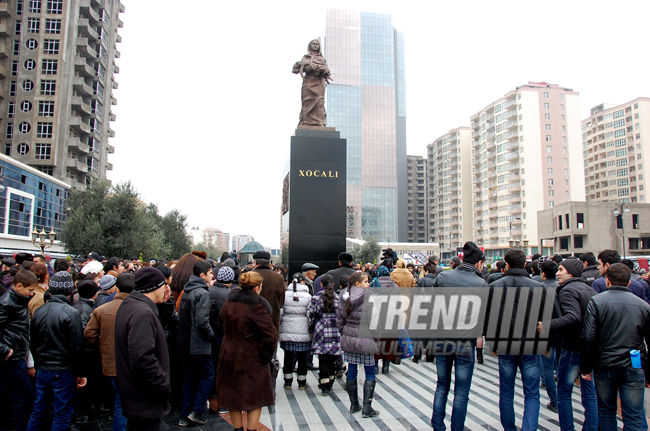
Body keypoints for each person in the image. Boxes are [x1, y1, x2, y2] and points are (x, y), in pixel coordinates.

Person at [581, 263, 650, 430]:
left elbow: (588, 337)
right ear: (629, 283)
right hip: (633, 364)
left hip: (605, 364)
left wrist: (586, 367)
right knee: (633, 415)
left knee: (606, 411)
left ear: (607, 281)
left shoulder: (597, 302)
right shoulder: (643, 306)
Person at [430, 242, 488, 431]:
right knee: (462, 391)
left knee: (442, 386)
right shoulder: (481, 284)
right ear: (479, 263)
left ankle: (437, 426)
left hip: (442, 339)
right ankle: (457, 428)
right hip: (465, 342)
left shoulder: (443, 276)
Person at [538, 258, 598, 430]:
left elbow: (573, 317)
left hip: (572, 347)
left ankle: (567, 427)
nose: (557, 273)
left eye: (561, 270)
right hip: (588, 348)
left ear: (570, 273)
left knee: (564, 392)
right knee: (589, 393)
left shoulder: (567, 290)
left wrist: (546, 326)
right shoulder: (589, 290)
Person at [488, 249, 544, 431]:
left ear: (507, 265)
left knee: (506, 391)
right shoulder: (538, 287)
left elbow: (489, 319)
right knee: (532, 393)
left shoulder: (496, 286)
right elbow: (545, 319)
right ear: (525, 264)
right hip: (531, 344)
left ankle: (509, 428)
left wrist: (493, 344)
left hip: (505, 343)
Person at [216, 272, 278, 431]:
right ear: (257, 288)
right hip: (251, 358)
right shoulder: (257, 306)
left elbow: (220, 324)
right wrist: (265, 355)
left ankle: (238, 430)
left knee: (233, 396)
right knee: (255, 398)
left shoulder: (229, 301)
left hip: (228, 354)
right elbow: (271, 335)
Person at [28, 271, 87, 431]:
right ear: (69, 293)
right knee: (61, 413)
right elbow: (77, 346)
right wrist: (80, 372)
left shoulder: (39, 311)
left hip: (44, 368)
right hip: (63, 370)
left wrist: (38, 364)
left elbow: (33, 342)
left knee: (39, 410)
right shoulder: (71, 313)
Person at [114, 267, 171, 431]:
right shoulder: (142, 313)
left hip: (136, 395)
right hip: (144, 397)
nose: (166, 288)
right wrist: (163, 384)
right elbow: (142, 358)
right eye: (164, 284)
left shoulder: (131, 305)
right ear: (155, 286)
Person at [84, 273, 134, 431]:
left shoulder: (101, 309)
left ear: (116, 288)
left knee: (117, 397)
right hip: (128, 362)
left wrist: (103, 344)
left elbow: (89, 334)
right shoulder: (137, 310)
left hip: (108, 361)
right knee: (123, 401)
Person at [337, 271, 380, 418]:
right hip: (366, 337)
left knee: (352, 369)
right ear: (358, 283)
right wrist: (376, 338)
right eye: (366, 281)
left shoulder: (344, 295)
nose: (369, 284)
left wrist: (345, 332)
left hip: (349, 337)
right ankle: (367, 408)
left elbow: (340, 319)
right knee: (370, 371)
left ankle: (354, 404)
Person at [177, 260, 215, 426]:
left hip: (186, 343)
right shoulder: (203, 293)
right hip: (199, 344)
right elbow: (202, 321)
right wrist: (211, 335)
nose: (212, 275)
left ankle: (184, 416)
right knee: (208, 374)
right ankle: (197, 411)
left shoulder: (186, 291)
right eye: (210, 273)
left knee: (190, 379)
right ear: (202, 275)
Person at [0, 270, 38, 431]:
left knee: (7, 394)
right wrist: (3, 350)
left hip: (15, 353)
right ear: (19, 286)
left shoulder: (17, 299)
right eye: (30, 290)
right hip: (12, 356)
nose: (32, 294)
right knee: (24, 398)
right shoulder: (7, 303)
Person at [308, 274, 341, 396]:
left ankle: (324, 384)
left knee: (322, 358)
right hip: (335, 330)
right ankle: (331, 380)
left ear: (321, 284)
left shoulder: (316, 298)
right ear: (333, 284)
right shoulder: (337, 298)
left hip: (321, 329)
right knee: (332, 357)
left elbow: (311, 316)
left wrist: (310, 329)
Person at [280, 274, 312, 390]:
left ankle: (287, 382)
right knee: (302, 357)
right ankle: (302, 382)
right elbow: (310, 315)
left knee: (288, 356)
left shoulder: (284, 294)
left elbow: (280, 313)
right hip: (302, 329)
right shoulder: (308, 296)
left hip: (287, 329)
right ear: (303, 282)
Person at [292, 39, 331, 127]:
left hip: (318, 83)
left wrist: (316, 68)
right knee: (306, 102)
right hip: (308, 82)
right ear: (310, 46)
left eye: (317, 44)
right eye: (313, 44)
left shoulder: (322, 59)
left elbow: (327, 71)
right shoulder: (305, 58)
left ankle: (320, 122)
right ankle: (305, 122)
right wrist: (299, 65)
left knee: (319, 102)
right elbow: (295, 70)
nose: (315, 45)